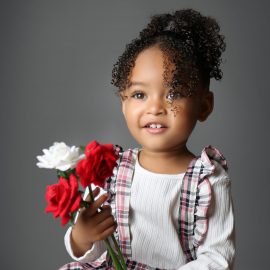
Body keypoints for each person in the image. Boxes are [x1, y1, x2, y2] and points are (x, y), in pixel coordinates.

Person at [60, 8, 235, 270]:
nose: (155, 108)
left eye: (174, 94)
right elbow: (97, 243)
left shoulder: (207, 180)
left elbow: (217, 258)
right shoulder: (110, 167)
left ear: (204, 106)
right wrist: (81, 236)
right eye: (140, 95)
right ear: (123, 103)